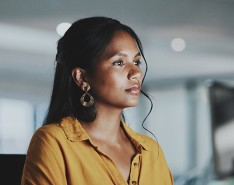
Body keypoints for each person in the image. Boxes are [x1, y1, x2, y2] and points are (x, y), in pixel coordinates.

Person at [21, 16, 174, 185]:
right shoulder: (53, 142)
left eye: (136, 62)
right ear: (82, 77)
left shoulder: (151, 150)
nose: (136, 73)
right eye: (119, 62)